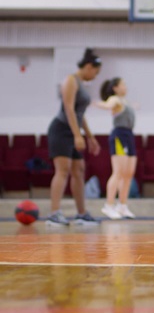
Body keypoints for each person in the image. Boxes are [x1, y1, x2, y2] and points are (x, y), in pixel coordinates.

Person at [46, 48, 102, 226]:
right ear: (88, 66)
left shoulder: (81, 84)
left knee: (79, 170)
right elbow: (69, 109)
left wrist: (90, 137)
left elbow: (80, 114)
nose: (95, 76)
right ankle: (54, 214)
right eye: (95, 72)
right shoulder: (71, 80)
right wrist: (77, 136)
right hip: (61, 130)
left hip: (72, 130)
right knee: (63, 170)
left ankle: (81, 214)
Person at [93, 77, 137, 220]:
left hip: (129, 135)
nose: (125, 86)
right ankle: (109, 205)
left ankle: (122, 206)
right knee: (118, 172)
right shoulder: (115, 99)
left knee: (128, 174)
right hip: (119, 135)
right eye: (123, 84)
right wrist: (95, 103)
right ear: (115, 88)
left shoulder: (125, 102)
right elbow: (107, 105)